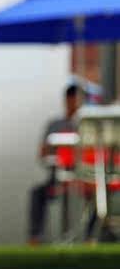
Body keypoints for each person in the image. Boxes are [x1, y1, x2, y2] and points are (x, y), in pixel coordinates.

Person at [28, 82, 83, 245]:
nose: (74, 103)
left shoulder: (86, 125)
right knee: (37, 193)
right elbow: (43, 153)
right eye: (71, 99)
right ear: (66, 100)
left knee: (98, 194)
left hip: (83, 180)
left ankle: (90, 238)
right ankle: (36, 237)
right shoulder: (55, 125)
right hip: (57, 178)